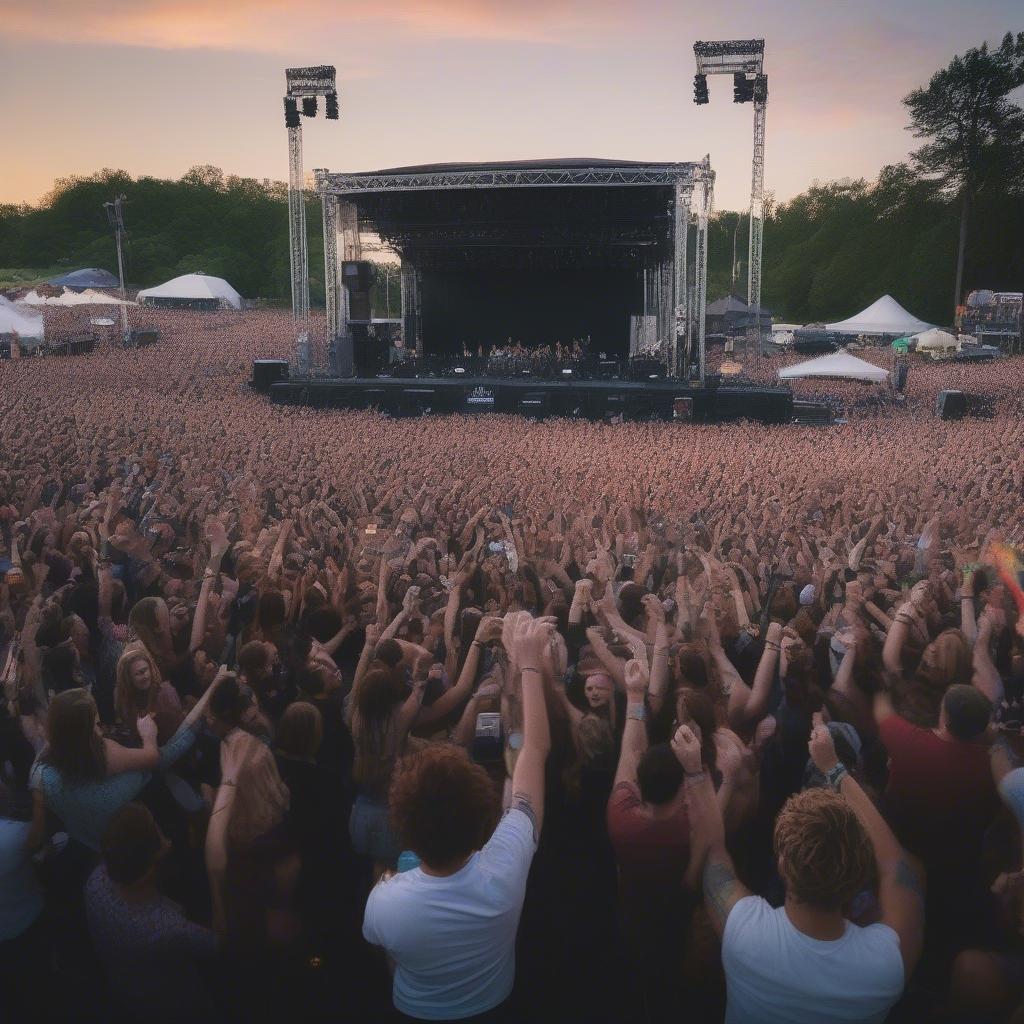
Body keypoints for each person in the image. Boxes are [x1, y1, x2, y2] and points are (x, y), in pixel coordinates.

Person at [362, 615, 553, 1022]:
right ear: (484, 815)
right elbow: (533, 750)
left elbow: (389, 957)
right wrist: (529, 665)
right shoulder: (505, 865)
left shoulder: (384, 902)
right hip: (496, 1004)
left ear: (404, 825)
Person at [681, 713, 923, 1024]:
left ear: (783, 865)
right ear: (860, 872)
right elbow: (899, 867)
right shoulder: (885, 968)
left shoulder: (745, 934)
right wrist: (835, 770)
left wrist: (695, 773)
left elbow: (713, 852)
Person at [85, 802, 219, 1024]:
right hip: (172, 1003)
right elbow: (219, 944)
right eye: (156, 828)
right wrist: (216, 873)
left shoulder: (95, 881)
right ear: (150, 863)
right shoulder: (168, 927)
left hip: (126, 987)